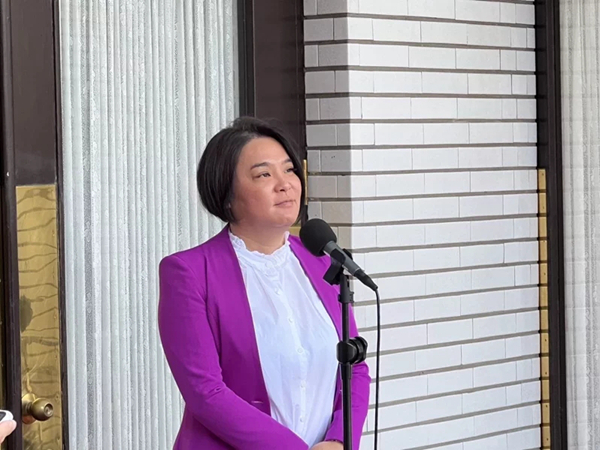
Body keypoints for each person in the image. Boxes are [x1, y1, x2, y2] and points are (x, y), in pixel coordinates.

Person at [158, 117, 370, 450]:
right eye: (264, 175)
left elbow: (354, 367)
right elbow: (205, 392)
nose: (285, 184)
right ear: (227, 195)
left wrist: (340, 440)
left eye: (289, 170)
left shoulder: (322, 261)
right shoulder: (189, 273)